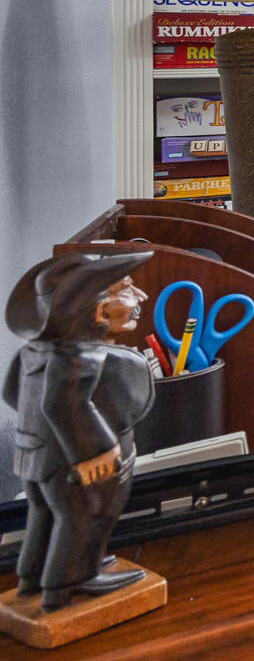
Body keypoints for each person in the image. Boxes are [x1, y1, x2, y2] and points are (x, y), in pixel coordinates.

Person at [3, 251, 156, 611]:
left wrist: (39, 434)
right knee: (87, 513)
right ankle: (70, 581)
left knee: (44, 513)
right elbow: (61, 404)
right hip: (82, 460)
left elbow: (13, 393)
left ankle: (33, 576)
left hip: (36, 452)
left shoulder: (36, 351)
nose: (141, 298)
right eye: (128, 289)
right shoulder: (80, 357)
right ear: (99, 312)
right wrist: (93, 450)